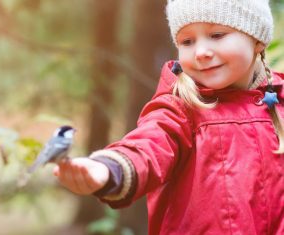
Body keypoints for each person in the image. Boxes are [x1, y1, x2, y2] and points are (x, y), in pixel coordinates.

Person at [53, 0, 284, 234]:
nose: (201, 52)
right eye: (187, 41)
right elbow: (150, 144)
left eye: (217, 35)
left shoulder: (280, 102)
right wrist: (111, 168)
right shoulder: (180, 109)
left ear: (257, 40)